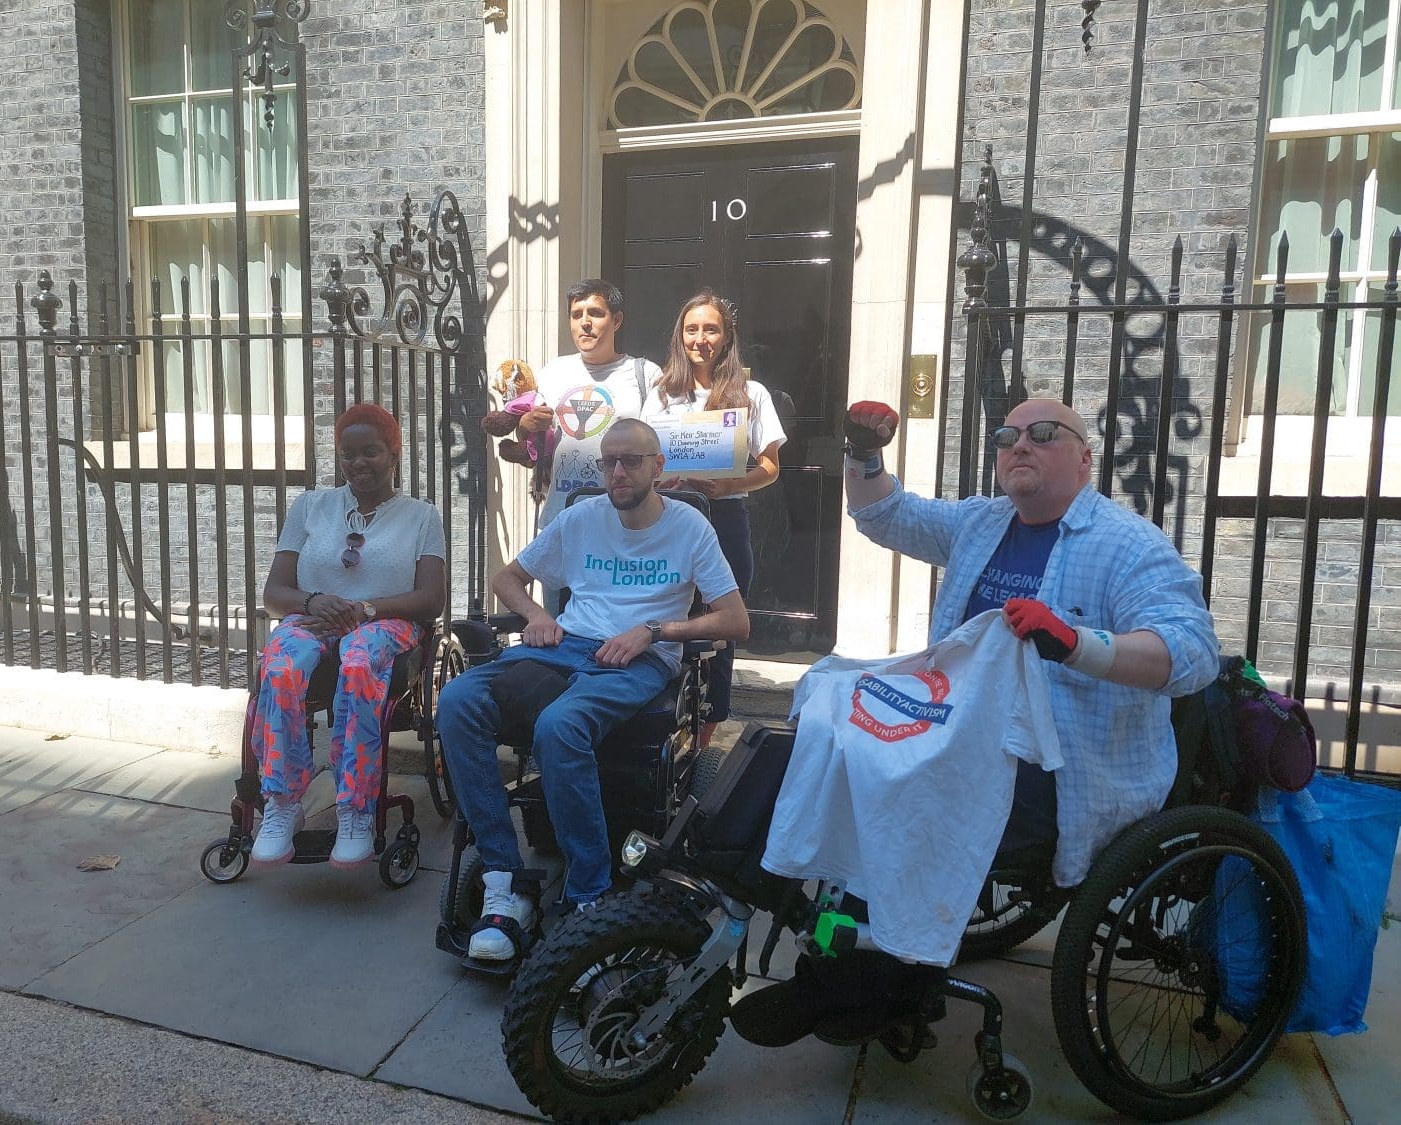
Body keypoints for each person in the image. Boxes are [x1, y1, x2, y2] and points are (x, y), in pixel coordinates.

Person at [732, 395, 1220, 1047]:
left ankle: (875, 974)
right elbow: (884, 513)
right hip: (963, 738)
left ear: (1085, 458)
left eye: (1043, 433)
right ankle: (817, 928)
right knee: (825, 740)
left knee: (893, 790)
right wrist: (861, 449)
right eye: (1006, 434)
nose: (1019, 443)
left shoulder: (1128, 545)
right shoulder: (984, 523)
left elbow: (1192, 654)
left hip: (1066, 772)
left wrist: (1078, 642)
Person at [437, 418, 749, 962]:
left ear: (659, 466)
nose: (618, 472)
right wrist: (536, 614)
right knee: (459, 700)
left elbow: (735, 620)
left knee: (560, 726)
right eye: (609, 461)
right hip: (564, 646)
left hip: (640, 659)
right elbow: (506, 577)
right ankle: (504, 881)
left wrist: (656, 630)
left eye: (631, 460)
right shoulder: (581, 518)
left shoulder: (690, 528)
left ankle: (589, 892)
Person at [250, 404, 448, 868]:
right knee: (279, 663)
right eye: (348, 455)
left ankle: (356, 804)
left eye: (371, 452)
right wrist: (314, 600)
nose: (359, 464)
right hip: (314, 618)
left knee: (359, 659)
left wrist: (366, 609)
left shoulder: (421, 516)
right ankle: (282, 801)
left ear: (394, 454)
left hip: (386, 622)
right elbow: (274, 594)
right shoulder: (310, 506)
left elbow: (430, 599)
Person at [642, 290, 786, 747]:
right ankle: (665, 725)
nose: (700, 338)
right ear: (680, 335)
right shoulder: (661, 393)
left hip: (724, 520)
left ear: (726, 338)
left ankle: (704, 738)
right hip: (668, 522)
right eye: (692, 329)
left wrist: (727, 486)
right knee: (669, 620)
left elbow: (770, 468)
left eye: (711, 329)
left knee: (721, 630)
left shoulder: (752, 394)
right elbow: (646, 456)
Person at [513, 279, 661, 527]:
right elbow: (532, 444)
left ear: (617, 320)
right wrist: (525, 424)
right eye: (576, 315)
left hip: (623, 521)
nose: (585, 323)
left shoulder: (646, 374)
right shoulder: (553, 371)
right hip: (562, 517)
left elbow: (659, 447)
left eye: (595, 313)